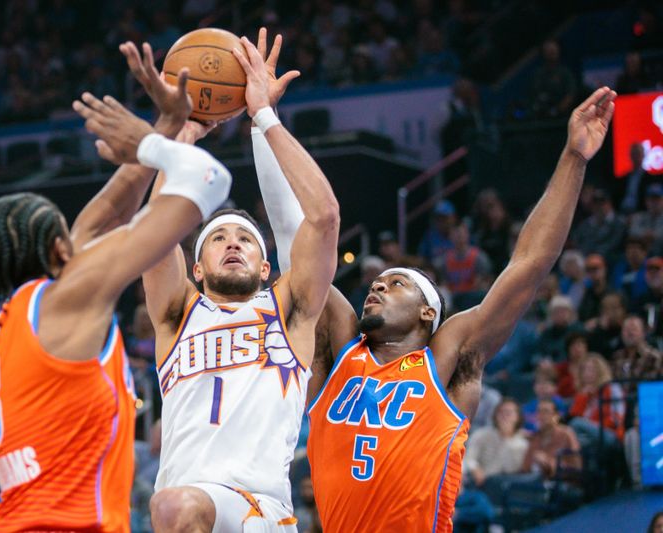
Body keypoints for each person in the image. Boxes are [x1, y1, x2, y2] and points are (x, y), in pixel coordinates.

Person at [260, 87, 616, 531]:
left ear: (429, 313)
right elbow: (297, 245)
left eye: (396, 284)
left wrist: (573, 158)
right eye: (375, 283)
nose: (377, 288)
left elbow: (530, 263)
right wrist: (261, 119)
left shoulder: (447, 359)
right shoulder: (342, 351)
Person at [0, 51, 231, 531]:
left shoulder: (4, 320)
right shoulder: (63, 299)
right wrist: (152, 147)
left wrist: (171, 123)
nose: (77, 241)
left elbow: (110, 210)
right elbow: (211, 181)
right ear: (56, 251)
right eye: (65, 238)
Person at [135, 29, 337, 532]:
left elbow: (325, 217)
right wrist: (183, 137)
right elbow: (154, 232)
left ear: (267, 269)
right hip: (188, 505)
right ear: (196, 268)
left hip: (259, 508)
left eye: (245, 240)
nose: (232, 243)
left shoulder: (290, 308)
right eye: (217, 237)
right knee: (174, 505)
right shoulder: (176, 314)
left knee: (173, 507)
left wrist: (263, 115)